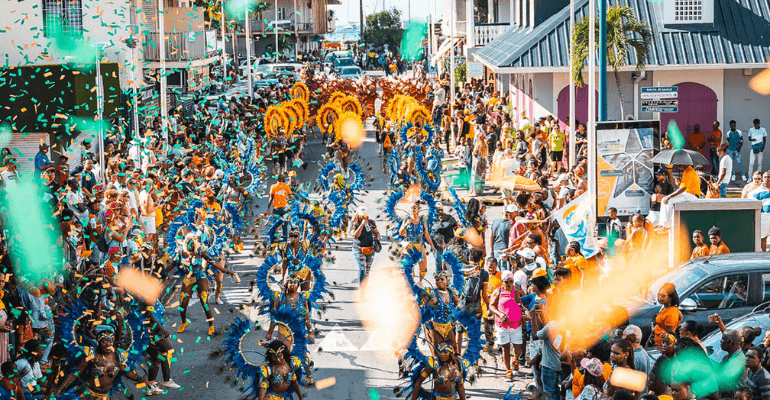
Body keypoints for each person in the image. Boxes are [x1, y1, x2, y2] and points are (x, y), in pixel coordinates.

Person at [488, 271, 523, 380]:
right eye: (506, 282)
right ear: (502, 282)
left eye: (511, 281)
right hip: (502, 325)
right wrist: (499, 313)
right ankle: (508, 370)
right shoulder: (498, 291)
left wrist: (523, 311)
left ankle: (516, 360)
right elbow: (491, 306)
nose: (508, 284)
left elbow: (521, 303)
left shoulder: (516, 291)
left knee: (518, 348)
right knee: (505, 348)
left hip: (516, 325)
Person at [350, 207, 379, 284]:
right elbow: (355, 235)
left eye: (365, 215)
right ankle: (362, 290)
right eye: (362, 215)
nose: (364, 217)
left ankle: (364, 288)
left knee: (367, 271)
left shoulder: (371, 222)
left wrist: (377, 236)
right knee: (362, 268)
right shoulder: (353, 223)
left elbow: (376, 232)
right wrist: (362, 224)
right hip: (358, 249)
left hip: (370, 249)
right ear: (358, 215)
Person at [623, 325, 650, 392]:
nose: (622, 338)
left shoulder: (634, 357)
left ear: (630, 338)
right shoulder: (643, 352)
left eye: (623, 335)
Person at [653, 282, 681, 347]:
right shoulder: (664, 307)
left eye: (663, 296)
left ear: (671, 298)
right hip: (656, 342)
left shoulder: (672, 312)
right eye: (659, 294)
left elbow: (669, 335)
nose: (659, 297)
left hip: (662, 346)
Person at [266, 174, 292, 242]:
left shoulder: (273, 186)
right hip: (285, 208)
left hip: (276, 208)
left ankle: (274, 240)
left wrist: (268, 208)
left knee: (275, 225)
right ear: (283, 179)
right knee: (285, 225)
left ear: (276, 179)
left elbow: (271, 198)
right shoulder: (286, 186)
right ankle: (285, 241)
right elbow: (291, 197)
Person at [750, 171, 770, 251]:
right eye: (765, 177)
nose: (767, 179)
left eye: (769, 177)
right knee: (763, 238)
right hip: (763, 218)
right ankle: (764, 255)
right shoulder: (756, 192)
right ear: (762, 178)